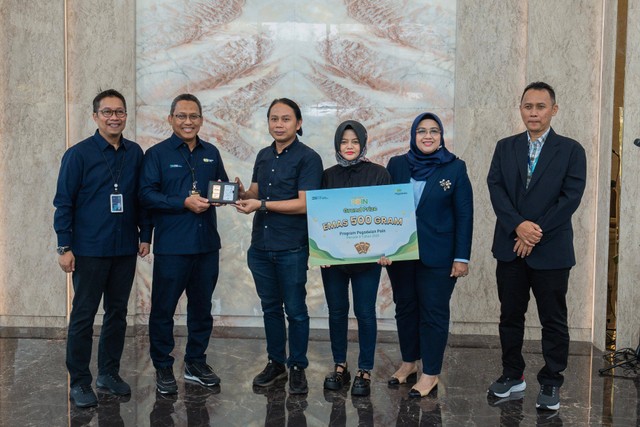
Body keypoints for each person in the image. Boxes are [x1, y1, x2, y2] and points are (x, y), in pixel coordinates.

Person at [486, 82, 586, 411]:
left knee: (553, 320)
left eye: (540, 106)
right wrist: (518, 226)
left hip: (551, 250)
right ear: (520, 109)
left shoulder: (571, 150)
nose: (533, 112)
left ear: (553, 110)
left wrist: (533, 232)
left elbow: (569, 199)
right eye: (528, 106)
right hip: (510, 246)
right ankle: (512, 375)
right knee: (510, 316)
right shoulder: (505, 147)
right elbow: (496, 188)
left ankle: (551, 381)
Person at [53, 89, 151, 408]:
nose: (114, 117)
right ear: (95, 116)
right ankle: (80, 381)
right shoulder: (78, 154)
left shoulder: (134, 153)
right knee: (83, 316)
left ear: (126, 116)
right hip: (89, 250)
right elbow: (63, 203)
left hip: (124, 248)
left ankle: (108, 373)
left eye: (119, 112)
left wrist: (145, 234)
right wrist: (63, 246)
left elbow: (141, 198)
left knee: (117, 314)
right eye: (107, 112)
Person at [140, 93, 229, 394]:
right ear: (170, 119)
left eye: (193, 116)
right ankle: (163, 365)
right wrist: (183, 202)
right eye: (181, 116)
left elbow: (221, 189)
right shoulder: (157, 154)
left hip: (206, 246)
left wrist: (232, 194)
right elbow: (146, 195)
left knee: (202, 309)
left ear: (202, 120)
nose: (188, 122)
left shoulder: (211, 153)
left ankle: (195, 362)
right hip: (173, 247)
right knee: (163, 309)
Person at [234, 98, 323, 395]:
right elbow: (256, 192)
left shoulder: (309, 158)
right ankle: (276, 363)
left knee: (295, 310)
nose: (279, 124)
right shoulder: (263, 156)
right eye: (274, 119)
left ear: (298, 123)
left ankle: (297, 366)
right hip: (260, 246)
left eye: (286, 119)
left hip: (291, 247)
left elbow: (305, 203)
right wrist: (243, 193)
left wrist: (260, 204)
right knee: (270, 308)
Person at [385, 112, 473, 398]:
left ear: (441, 137)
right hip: (401, 254)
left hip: (439, 255)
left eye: (434, 131)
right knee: (405, 309)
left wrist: (462, 257)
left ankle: (430, 373)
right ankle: (409, 362)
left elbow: (464, 214)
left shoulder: (455, 168)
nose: (427, 136)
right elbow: (383, 209)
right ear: (413, 135)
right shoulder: (397, 165)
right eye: (421, 131)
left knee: (433, 313)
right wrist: (382, 247)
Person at [319, 120, 391, 397]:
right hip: (334, 261)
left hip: (367, 261)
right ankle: (340, 365)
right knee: (337, 312)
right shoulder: (328, 175)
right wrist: (320, 250)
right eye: (344, 142)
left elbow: (388, 218)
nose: (349, 147)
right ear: (337, 145)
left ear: (363, 143)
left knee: (365, 312)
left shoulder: (379, 174)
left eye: (354, 142)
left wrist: (388, 251)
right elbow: (319, 216)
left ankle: (364, 369)